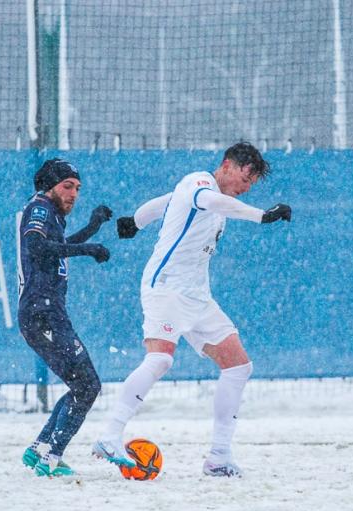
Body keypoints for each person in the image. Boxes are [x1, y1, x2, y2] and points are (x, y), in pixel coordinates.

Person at [92, 141, 292, 477]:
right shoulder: (200, 183)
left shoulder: (201, 195)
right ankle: (110, 435)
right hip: (166, 286)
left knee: (238, 367)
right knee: (160, 359)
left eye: (251, 186)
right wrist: (262, 215)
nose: (245, 189)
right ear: (227, 165)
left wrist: (136, 220)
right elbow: (206, 200)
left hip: (197, 296)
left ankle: (219, 458)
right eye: (245, 180)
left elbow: (166, 202)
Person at [18, 158, 112, 477]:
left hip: (46, 313)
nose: (73, 194)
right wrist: (89, 249)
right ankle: (51, 458)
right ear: (50, 187)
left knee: (80, 385)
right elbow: (37, 247)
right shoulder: (41, 207)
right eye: (67, 186)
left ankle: (41, 450)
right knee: (87, 386)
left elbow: (58, 246)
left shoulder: (51, 213)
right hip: (41, 313)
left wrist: (92, 228)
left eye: (77, 188)